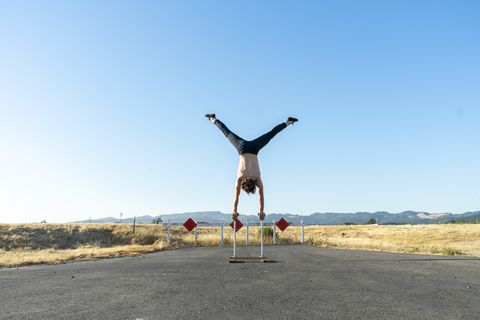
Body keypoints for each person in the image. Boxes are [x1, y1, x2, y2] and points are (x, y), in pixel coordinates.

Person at [205, 114, 298, 221]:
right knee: (227, 133)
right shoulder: (240, 178)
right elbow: (236, 196)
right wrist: (234, 210)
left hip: (254, 148)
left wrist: (261, 210)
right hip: (242, 147)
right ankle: (213, 119)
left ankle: (289, 122)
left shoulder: (256, 179)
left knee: (271, 134)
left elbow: (261, 196)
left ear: (253, 185)